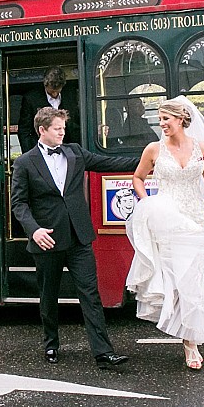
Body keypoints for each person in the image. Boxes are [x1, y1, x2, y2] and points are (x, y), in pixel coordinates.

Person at [11, 106, 136, 369]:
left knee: (90, 294)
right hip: (47, 239)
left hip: (79, 238)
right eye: (57, 129)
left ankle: (103, 354)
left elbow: (109, 164)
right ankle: (51, 344)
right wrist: (34, 230)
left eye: (63, 128)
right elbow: (19, 204)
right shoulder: (24, 163)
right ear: (42, 130)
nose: (62, 133)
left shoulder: (75, 152)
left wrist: (150, 159)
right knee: (48, 296)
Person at [124, 96, 204, 371]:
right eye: (160, 120)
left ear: (181, 119)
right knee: (175, 280)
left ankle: (190, 338)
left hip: (196, 218)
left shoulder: (202, 147)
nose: (162, 124)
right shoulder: (154, 149)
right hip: (167, 217)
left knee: (196, 280)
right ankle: (188, 341)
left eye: (166, 119)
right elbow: (138, 177)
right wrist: (146, 200)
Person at [18, 66, 80, 153]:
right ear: (45, 84)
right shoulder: (31, 99)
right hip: (41, 150)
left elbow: (79, 120)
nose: (54, 94)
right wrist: (30, 154)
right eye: (51, 91)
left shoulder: (72, 95)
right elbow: (24, 130)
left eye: (57, 91)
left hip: (70, 148)